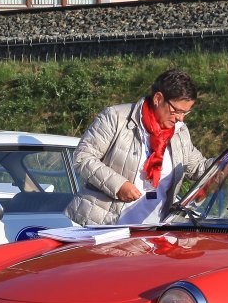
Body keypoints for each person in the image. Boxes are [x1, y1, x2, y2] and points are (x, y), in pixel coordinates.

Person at [67, 68, 211, 227]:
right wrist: (118, 185)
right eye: (176, 111)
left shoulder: (180, 132)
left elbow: (199, 168)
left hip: (153, 231)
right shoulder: (115, 117)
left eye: (186, 113)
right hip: (103, 227)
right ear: (158, 98)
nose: (180, 118)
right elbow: (82, 157)